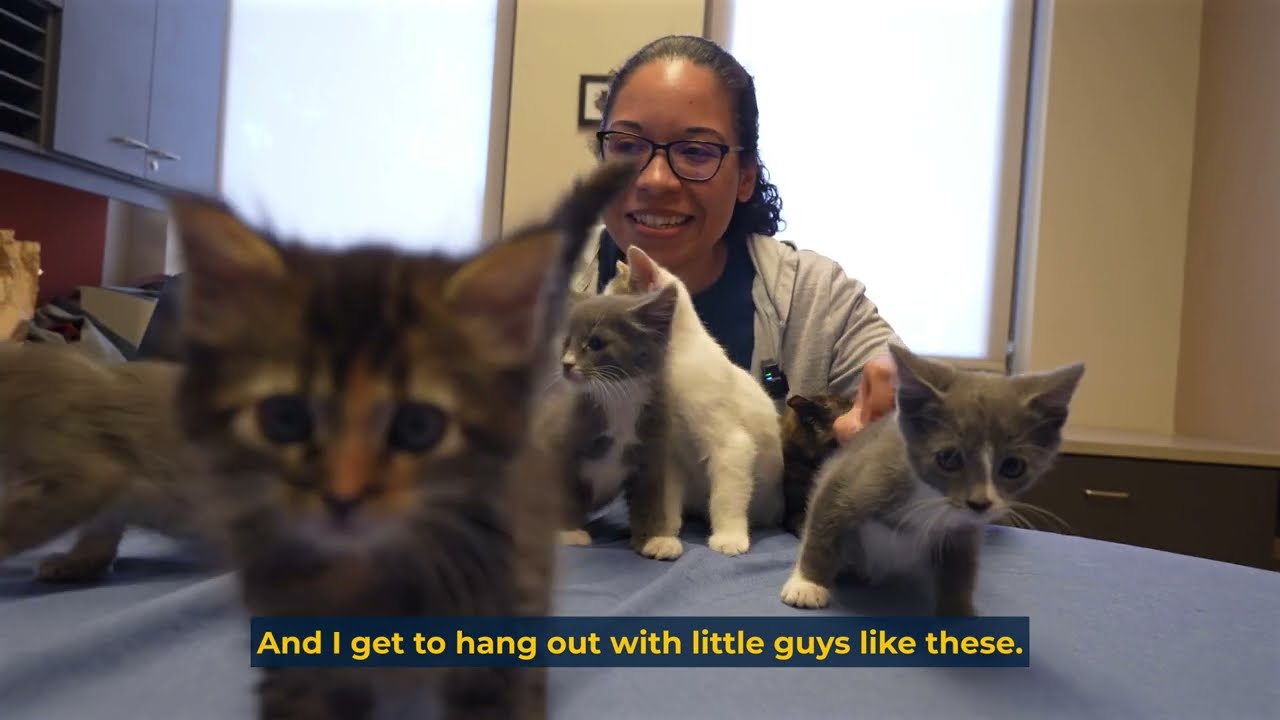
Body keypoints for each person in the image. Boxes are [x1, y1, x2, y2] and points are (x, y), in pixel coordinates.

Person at [569, 35, 901, 442]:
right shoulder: (540, 290)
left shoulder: (817, 300)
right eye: (627, 146)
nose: (656, 180)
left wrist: (896, 407)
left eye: (695, 151)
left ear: (745, 177)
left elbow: (897, 389)